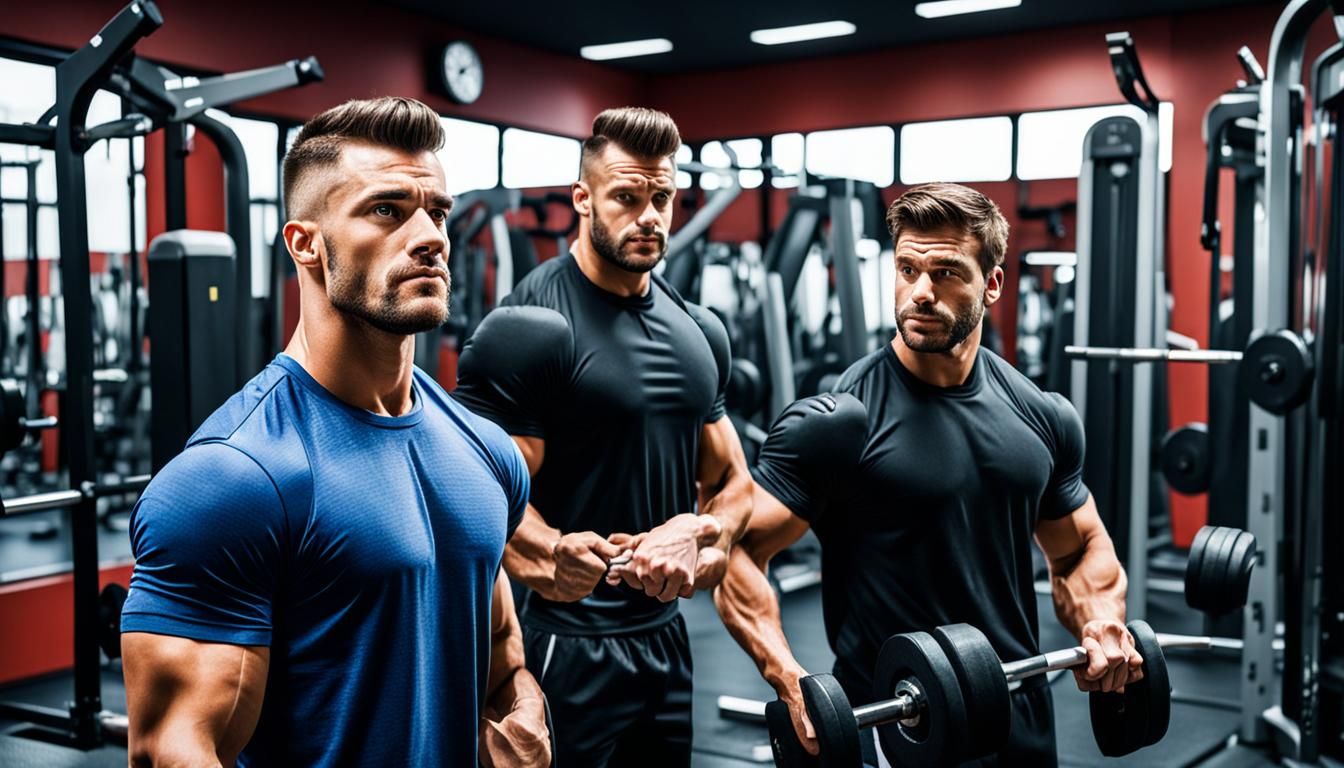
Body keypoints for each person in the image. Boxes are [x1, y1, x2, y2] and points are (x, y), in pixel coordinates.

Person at [119, 97, 549, 768]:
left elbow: (500, 652)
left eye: (437, 212)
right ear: (306, 244)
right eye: (387, 211)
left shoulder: (486, 451)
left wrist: (523, 711)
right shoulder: (234, 479)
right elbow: (172, 749)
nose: (431, 236)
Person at [714, 183, 1142, 766]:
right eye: (908, 269)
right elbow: (737, 550)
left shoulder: (1041, 415)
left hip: (1017, 716)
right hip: (899, 722)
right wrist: (788, 676)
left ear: (992, 284)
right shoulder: (842, 420)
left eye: (945, 272)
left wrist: (1101, 622)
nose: (920, 291)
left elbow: (1079, 549)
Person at [454, 106, 752, 767]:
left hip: (666, 639)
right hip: (566, 640)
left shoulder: (698, 331)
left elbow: (734, 480)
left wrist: (705, 531)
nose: (649, 217)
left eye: (661, 199)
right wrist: (550, 549)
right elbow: (473, 490)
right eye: (626, 197)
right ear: (582, 198)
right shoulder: (531, 328)